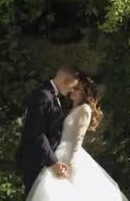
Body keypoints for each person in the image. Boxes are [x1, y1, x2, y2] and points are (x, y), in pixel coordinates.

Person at [25, 72, 128, 201]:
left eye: (77, 88)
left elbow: (78, 138)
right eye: (73, 88)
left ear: (85, 92)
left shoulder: (85, 109)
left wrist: (72, 161)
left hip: (69, 153)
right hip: (58, 150)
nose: (72, 91)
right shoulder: (71, 108)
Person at [15, 65, 80, 197]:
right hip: (36, 160)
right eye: (71, 86)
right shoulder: (43, 96)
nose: (71, 91)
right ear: (65, 81)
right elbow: (36, 133)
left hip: (44, 159)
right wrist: (54, 162)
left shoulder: (51, 95)